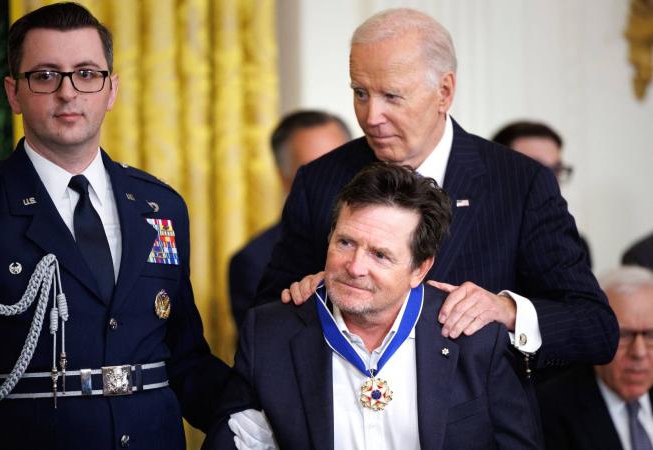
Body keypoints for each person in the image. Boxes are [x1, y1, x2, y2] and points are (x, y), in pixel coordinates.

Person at [256, 8, 617, 377]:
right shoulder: (320, 180)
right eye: (360, 93)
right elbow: (268, 314)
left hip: (480, 426)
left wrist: (507, 312)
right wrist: (308, 297)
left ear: (444, 91)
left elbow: (595, 327)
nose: (371, 116)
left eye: (392, 96)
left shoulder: (520, 183)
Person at [0, 3, 228, 449]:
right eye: (44, 75)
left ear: (111, 89)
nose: (68, 92)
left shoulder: (160, 206)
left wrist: (268, 411)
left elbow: (186, 360)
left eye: (86, 73)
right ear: (13, 93)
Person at [205, 163, 541, 450]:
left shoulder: (474, 337)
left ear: (420, 268)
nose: (354, 266)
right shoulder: (269, 333)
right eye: (346, 243)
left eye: (380, 255)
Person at [228, 110, 350, 330]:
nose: (335, 181)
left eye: (340, 168)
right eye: (319, 171)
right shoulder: (253, 261)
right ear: (284, 178)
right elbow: (263, 346)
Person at [537, 266, 653, 450]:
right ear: (597, 334)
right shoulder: (551, 410)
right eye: (623, 335)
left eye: (650, 335)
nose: (638, 352)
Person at [492, 120, 592, 268]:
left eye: (556, 169)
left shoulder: (574, 244)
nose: (548, 181)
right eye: (534, 169)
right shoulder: (462, 235)